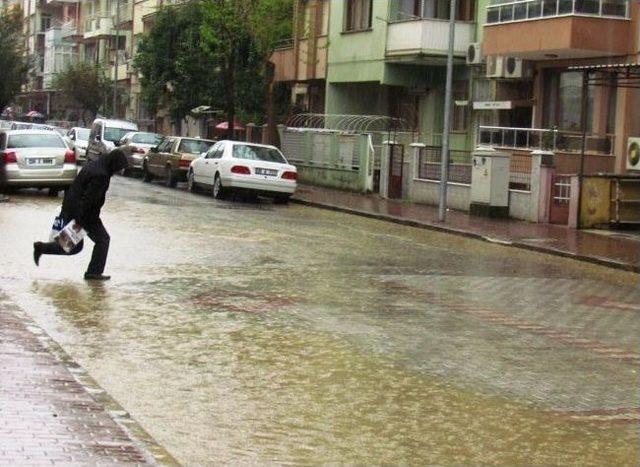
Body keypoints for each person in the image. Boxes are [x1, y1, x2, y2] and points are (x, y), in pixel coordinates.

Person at [33, 149, 129, 281]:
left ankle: (41, 248)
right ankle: (93, 273)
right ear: (114, 163)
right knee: (102, 240)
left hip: (73, 209)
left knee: (73, 247)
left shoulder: (95, 165)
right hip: (84, 214)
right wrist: (82, 221)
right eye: (119, 168)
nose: (120, 171)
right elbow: (90, 200)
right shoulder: (101, 175)